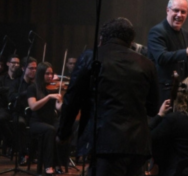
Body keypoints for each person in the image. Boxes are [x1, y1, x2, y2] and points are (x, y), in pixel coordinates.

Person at [57, 17, 159, 176]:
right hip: (138, 145)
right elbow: (153, 109)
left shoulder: (91, 57)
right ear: (131, 40)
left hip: (105, 143)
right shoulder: (146, 64)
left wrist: (63, 133)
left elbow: (72, 100)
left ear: (102, 38)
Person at [148, 0, 188, 105]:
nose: (179, 15)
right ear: (167, 10)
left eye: (183, 12)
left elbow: (186, 65)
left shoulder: (185, 34)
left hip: (181, 92)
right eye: (176, 10)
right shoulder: (157, 31)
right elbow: (161, 57)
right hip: (162, 93)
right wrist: (186, 51)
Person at [27, 62, 63, 175]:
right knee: (50, 130)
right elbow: (33, 106)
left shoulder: (54, 88)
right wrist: (48, 97)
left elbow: (58, 107)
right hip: (37, 122)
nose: (50, 76)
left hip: (51, 120)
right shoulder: (33, 88)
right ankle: (49, 165)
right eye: (47, 74)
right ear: (41, 74)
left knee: (64, 128)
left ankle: (60, 163)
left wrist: (63, 101)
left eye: (51, 74)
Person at [9, 56, 38, 165]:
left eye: (35, 68)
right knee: (20, 123)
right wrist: (26, 93)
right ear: (23, 69)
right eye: (31, 68)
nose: (34, 71)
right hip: (19, 112)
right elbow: (11, 97)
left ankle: (35, 153)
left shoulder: (36, 84)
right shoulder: (17, 82)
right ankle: (23, 154)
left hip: (33, 113)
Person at [0, 54, 20, 152]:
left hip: (17, 108)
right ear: (8, 64)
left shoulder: (20, 79)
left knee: (20, 122)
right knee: (0, 118)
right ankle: (11, 142)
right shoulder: (1, 78)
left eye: (17, 63)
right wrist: (9, 89)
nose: (15, 65)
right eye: (13, 62)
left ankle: (14, 145)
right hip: (4, 107)